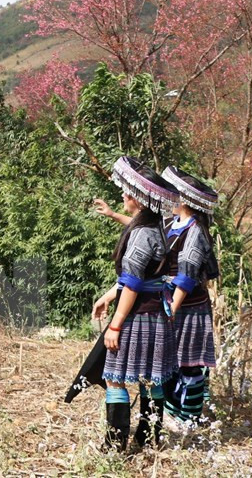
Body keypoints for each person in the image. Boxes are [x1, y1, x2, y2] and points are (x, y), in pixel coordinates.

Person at [92, 156, 180, 451]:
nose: (123, 194)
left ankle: (114, 446)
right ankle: (149, 438)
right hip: (158, 316)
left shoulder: (142, 235)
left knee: (115, 380)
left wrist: (114, 325)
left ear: (139, 199)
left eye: (127, 191)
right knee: (151, 379)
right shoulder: (159, 228)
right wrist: (108, 295)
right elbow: (138, 277)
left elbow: (132, 283)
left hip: (138, 317)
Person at [160, 165, 219, 428]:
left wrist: (173, 307)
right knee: (172, 360)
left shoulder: (195, 231)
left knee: (190, 362)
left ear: (183, 200)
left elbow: (186, 276)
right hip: (173, 302)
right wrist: (114, 214)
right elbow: (150, 234)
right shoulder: (173, 222)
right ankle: (174, 411)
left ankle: (190, 417)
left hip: (189, 306)